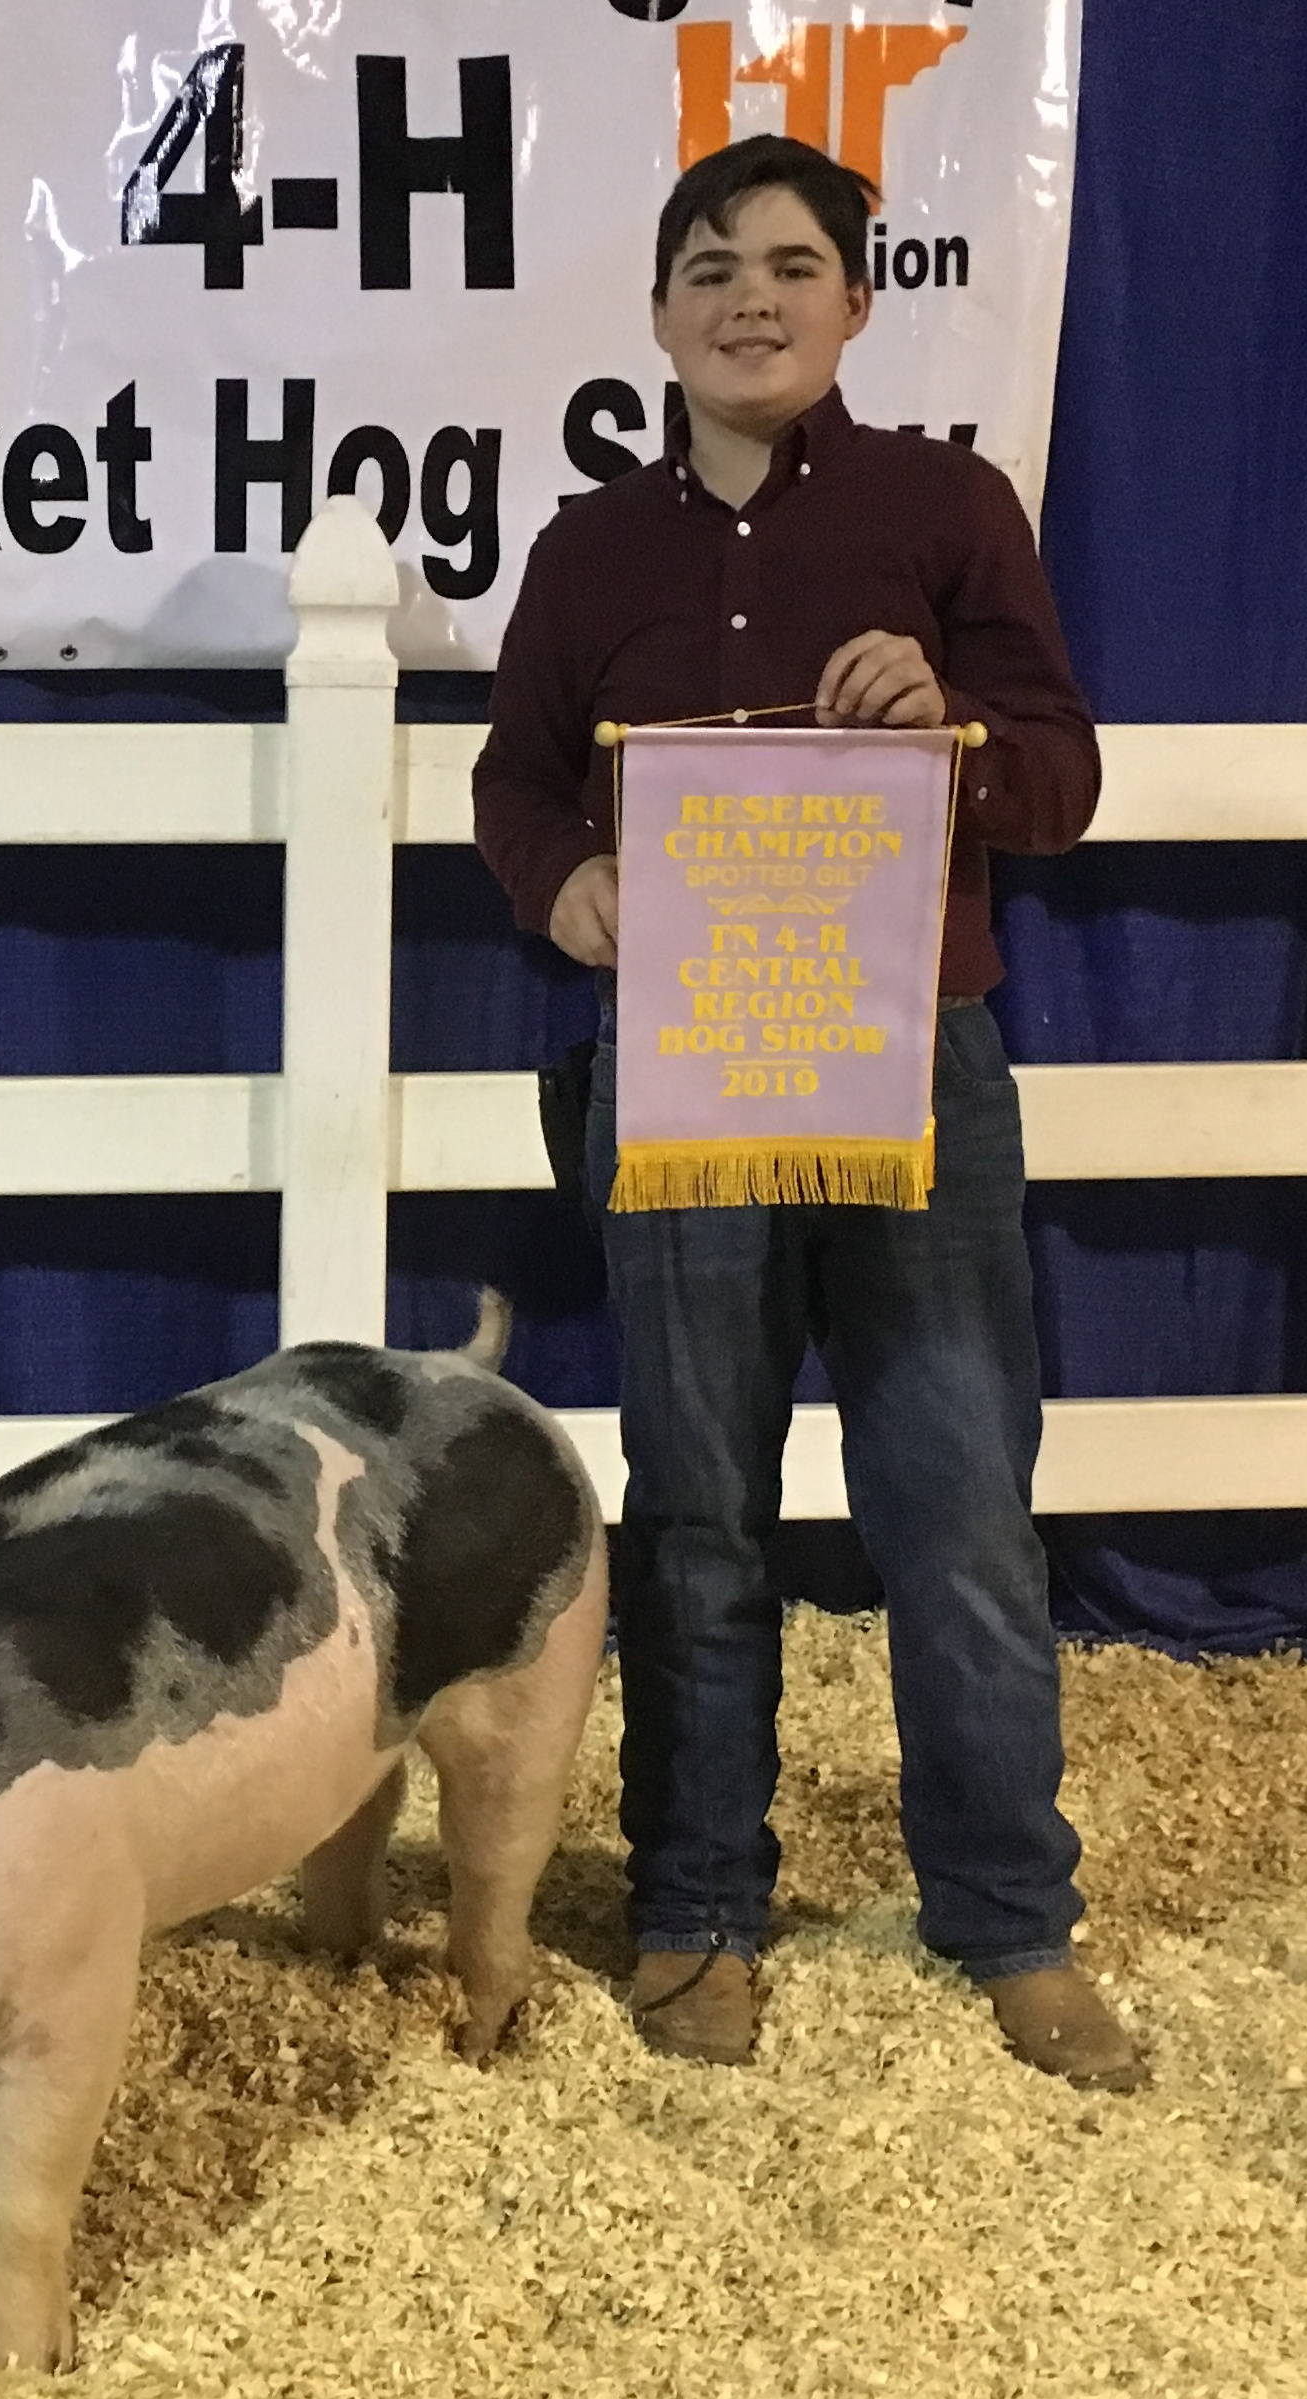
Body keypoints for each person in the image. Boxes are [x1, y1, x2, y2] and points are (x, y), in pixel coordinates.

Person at [473, 133, 1144, 2090]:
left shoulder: (947, 511)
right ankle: (696, 1910)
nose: (746, 295)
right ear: (660, 310)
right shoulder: (592, 549)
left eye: (788, 263)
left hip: (914, 1061)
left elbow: (1062, 779)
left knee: (956, 1507)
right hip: (679, 1069)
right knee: (695, 1512)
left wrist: (947, 727)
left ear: (858, 299)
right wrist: (562, 890)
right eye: (707, 266)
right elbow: (519, 789)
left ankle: (1012, 1917)